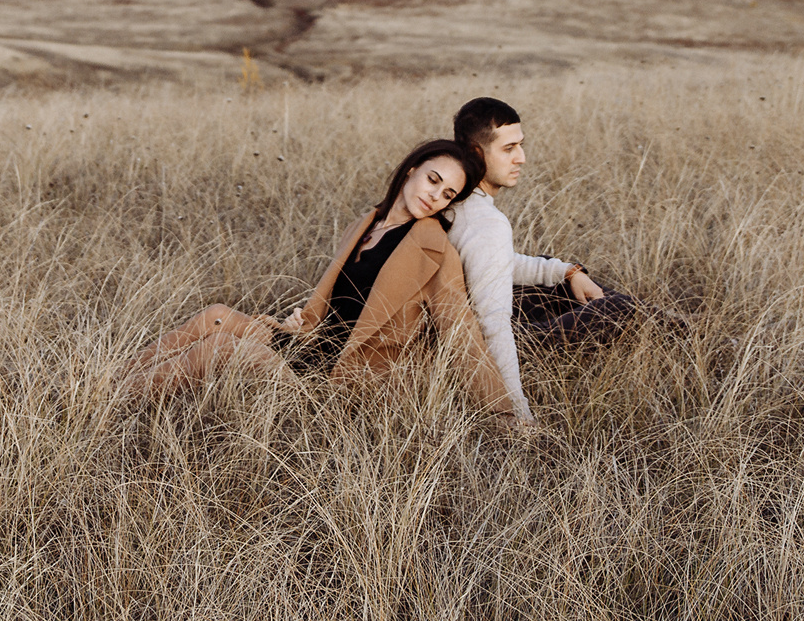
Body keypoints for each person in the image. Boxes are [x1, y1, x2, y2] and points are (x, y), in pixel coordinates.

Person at [133, 139, 529, 422]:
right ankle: (111, 383)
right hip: (310, 348)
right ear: (412, 170)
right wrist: (302, 322)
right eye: (432, 180)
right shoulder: (367, 224)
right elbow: (335, 307)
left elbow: (462, 336)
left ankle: (118, 399)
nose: (434, 196)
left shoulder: (434, 250)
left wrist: (508, 413)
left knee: (221, 346)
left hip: (341, 380)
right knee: (216, 316)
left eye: (447, 193)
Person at [446, 96, 641, 419]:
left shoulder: (456, 198)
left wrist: (566, 271)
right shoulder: (486, 223)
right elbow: (493, 325)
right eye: (508, 149)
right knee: (620, 308)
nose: (521, 158)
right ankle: (696, 338)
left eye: (520, 146)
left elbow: (495, 264)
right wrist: (517, 414)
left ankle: (685, 330)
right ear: (476, 154)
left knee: (558, 275)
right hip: (479, 345)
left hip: (459, 328)